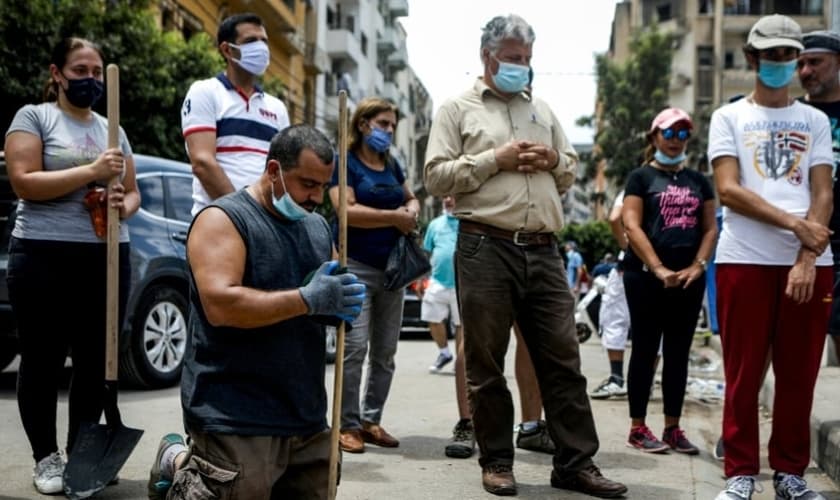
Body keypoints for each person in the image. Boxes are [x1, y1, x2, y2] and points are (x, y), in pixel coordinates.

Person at [424, 14, 627, 498]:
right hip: (484, 245)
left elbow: (570, 170)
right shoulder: (458, 109)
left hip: (544, 249)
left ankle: (575, 463)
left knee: (563, 359)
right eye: (514, 59)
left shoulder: (543, 111)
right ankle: (496, 460)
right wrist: (497, 159)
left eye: (527, 60)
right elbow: (435, 176)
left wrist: (554, 160)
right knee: (486, 361)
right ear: (487, 57)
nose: (522, 68)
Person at [147, 125, 365, 500]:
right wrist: (307, 299)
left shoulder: (315, 226)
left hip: (305, 412)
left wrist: (336, 304)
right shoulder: (224, 220)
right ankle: (181, 463)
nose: (316, 197)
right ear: (273, 170)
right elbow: (221, 306)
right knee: (236, 488)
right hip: (235, 410)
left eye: (322, 185)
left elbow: (323, 297)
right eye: (307, 183)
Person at [4, 37, 140, 495]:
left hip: (104, 253)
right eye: (80, 71)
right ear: (57, 74)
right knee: (42, 359)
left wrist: (125, 199)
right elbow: (24, 182)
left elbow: (133, 192)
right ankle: (47, 458)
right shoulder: (34, 116)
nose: (90, 80)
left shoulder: (112, 128)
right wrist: (92, 172)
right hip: (43, 252)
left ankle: (82, 454)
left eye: (97, 72)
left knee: (94, 361)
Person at [709, 15, 833, 500]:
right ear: (752, 58)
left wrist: (806, 252)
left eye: (789, 55)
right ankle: (741, 472)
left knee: (799, 375)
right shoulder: (730, 117)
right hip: (745, 257)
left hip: (810, 264)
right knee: (742, 373)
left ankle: (790, 474)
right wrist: (795, 224)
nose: (781, 64)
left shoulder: (815, 120)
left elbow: (822, 191)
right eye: (772, 55)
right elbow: (728, 190)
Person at [622, 107, 717, 455]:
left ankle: (672, 427)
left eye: (682, 134)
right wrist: (659, 268)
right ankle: (637, 427)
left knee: (678, 353)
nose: (675, 141)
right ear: (654, 136)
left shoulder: (699, 181)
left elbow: (710, 228)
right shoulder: (641, 178)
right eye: (669, 133)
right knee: (646, 349)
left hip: (689, 280)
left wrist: (697, 265)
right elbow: (631, 225)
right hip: (646, 277)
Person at [330, 97, 420, 454]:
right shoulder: (346, 163)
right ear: (363, 123)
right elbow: (345, 211)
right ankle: (347, 424)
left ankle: (371, 420)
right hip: (357, 266)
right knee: (354, 349)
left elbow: (411, 198)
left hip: (393, 271)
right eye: (383, 123)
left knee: (385, 352)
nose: (389, 130)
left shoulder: (392, 164)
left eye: (392, 125)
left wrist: (410, 210)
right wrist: (395, 217)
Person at [181, 12, 290, 215]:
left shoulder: (278, 108)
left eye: (264, 41)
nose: (261, 48)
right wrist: (244, 214)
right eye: (250, 41)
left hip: (266, 224)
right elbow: (203, 163)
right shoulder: (205, 91)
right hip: (217, 220)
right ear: (227, 50)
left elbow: (282, 171)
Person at [799, 29, 840, 366]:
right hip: (801, 237)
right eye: (800, 64)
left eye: (815, 62)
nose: (805, 72)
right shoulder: (792, 115)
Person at [589, 192, 631, 400]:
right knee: (655, 324)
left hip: (631, 264)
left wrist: (627, 247)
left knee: (615, 319)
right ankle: (646, 383)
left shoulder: (636, 184)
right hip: (665, 262)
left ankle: (616, 378)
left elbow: (614, 218)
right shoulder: (678, 188)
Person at [423, 195, 460, 374]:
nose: (448, 199)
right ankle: (444, 353)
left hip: (462, 283)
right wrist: (421, 279)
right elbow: (426, 252)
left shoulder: (466, 223)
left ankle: (460, 363)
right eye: (445, 196)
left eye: (451, 196)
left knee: (461, 324)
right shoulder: (435, 224)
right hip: (437, 281)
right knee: (431, 317)